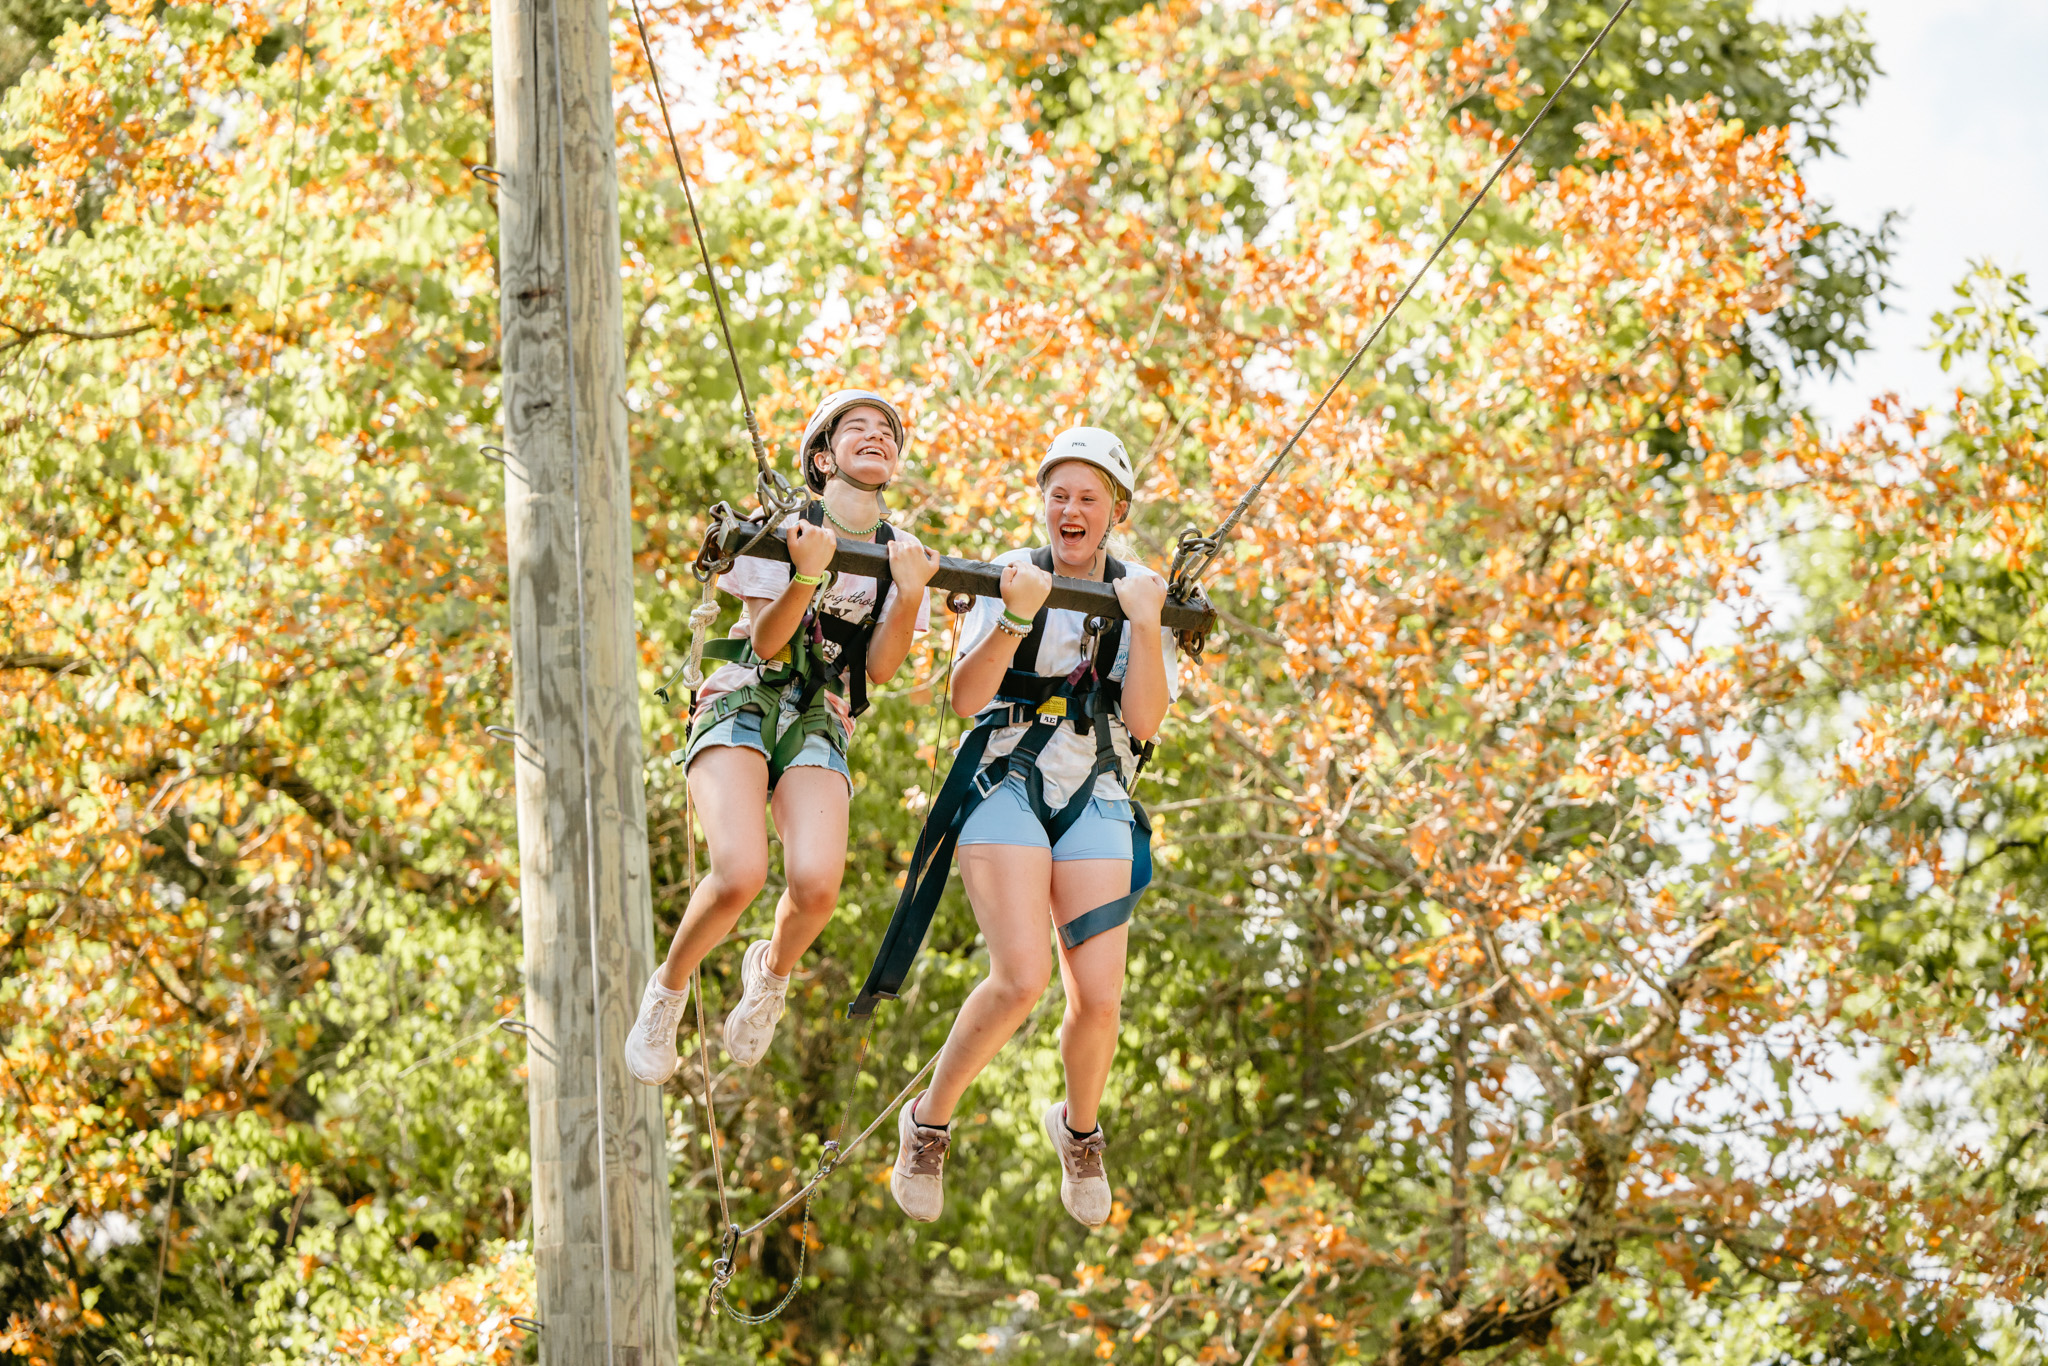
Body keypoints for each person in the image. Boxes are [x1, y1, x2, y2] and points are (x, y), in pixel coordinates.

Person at [884, 426, 1175, 1229]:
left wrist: (1145, 624)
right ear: (1043, 506)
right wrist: (1013, 618)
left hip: (1097, 786)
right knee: (1020, 978)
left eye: (1088, 498)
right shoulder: (1010, 575)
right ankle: (928, 1122)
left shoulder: (1139, 592)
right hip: (1008, 775)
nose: (1070, 511)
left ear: (1115, 511)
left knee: (1101, 999)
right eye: (1059, 496)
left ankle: (1081, 1132)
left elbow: (1145, 718)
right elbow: (965, 699)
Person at [626, 390, 937, 1084]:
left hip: (821, 709)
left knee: (818, 885)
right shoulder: (787, 526)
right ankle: (669, 989)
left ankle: (770, 974)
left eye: (887, 432)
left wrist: (911, 593)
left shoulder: (900, 555)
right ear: (824, 458)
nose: (876, 435)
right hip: (746, 691)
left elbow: (878, 669)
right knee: (741, 873)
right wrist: (806, 572)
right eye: (857, 428)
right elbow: (767, 643)